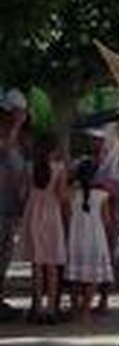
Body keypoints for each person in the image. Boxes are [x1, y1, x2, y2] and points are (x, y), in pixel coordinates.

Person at [18, 138, 68, 324]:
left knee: (37, 265)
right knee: (52, 264)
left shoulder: (29, 167)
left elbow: (22, 194)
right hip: (52, 214)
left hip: (33, 215)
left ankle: (37, 307)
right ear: (53, 150)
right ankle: (51, 309)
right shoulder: (59, 168)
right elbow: (62, 196)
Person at [65, 157, 116, 321]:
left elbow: (67, 216)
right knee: (93, 277)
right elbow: (107, 220)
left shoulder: (71, 194)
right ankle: (86, 311)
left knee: (75, 276)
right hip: (95, 238)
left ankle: (74, 309)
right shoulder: (102, 195)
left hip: (75, 239)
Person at [0, 89, 29, 316]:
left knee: (5, 254)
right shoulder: (6, 135)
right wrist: (16, 126)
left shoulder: (18, 138)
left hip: (10, 207)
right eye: (17, 112)